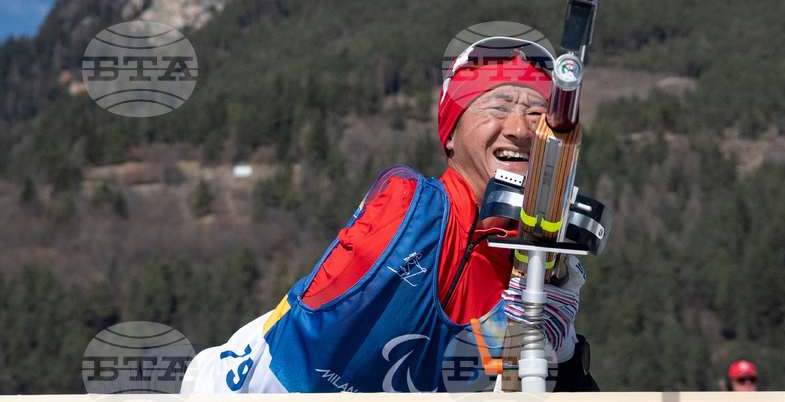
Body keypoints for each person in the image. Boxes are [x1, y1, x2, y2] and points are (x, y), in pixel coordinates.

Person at [184, 36, 597, 393]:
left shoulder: (528, 272)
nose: (521, 130)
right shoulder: (410, 208)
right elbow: (314, 352)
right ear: (450, 134)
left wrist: (560, 358)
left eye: (536, 115)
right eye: (499, 106)